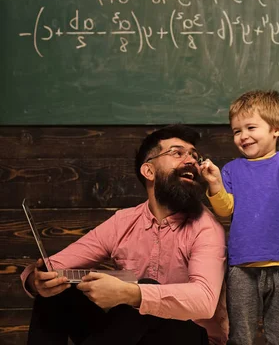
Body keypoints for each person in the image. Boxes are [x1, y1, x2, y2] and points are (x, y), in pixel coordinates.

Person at [20, 124, 228, 345]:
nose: (191, 162)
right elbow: (56, 265)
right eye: (177, 153)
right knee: (54, 293)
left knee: (144, 291)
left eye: (195, 156)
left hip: (192, 338)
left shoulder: (206, 226)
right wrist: (37, 280)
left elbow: (205, 300)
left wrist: (132, 293)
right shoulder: (123, 222)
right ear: (149, 171)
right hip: (129, 336)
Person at [201, 90, 279, 345]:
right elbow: (225, 209)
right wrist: (215, 184)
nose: (243, 136)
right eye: (236, 131)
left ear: (276, 129)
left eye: (251, 127)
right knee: (241, 336)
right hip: (242, 267)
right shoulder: (231, 169)